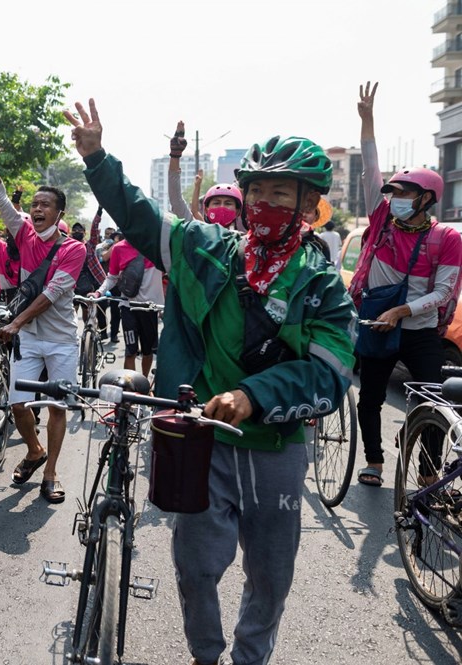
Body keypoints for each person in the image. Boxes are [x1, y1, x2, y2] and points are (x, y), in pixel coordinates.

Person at [65, 98, 354, 665]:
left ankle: (250, 657)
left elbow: (331, 370)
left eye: (281, 192)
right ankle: (205, 654)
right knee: (195, 568)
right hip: (199, 439)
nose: (265, 202)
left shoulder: (322, 283)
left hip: (276, 449)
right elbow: (143, 216)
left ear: (308, 204)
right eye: (258, 190)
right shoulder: (205, 248)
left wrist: (254, 396)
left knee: (270, 576)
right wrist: (98, 159)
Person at [349, 81, 462, 488]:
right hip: (378, 326)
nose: (394, 196)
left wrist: (401, 310)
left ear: (426, 199)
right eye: (392, 190)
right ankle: (375, 461)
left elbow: (444, 293)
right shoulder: (380, 221)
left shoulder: (446, 238)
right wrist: (368, 122)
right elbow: (369, 170)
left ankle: (429, 468)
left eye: (403, 192)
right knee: (371, 397)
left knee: (436, 399)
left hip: (418, 330)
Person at [0, 123, 87, 504]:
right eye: (35, 204)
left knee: (57, 406)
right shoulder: (21, 232)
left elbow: (53, 294)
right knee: (17, 404)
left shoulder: (74, 249)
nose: (37, 209)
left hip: (59, 339)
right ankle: (35, 451)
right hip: (27, 337)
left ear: (59, 214)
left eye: (46, 205)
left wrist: (17, 321)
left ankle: (51, 474)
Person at [92, 235, 164, 376]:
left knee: (147, 351)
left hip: (150, 309)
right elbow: (112, 277)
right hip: (128, 307)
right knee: (130, 351)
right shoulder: (118, 248)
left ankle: (143, 386)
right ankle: (132, 389)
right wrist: (98, 293)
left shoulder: (157, 246)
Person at [71, 211, 108, 336]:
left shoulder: (90, 246)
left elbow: (94, 230)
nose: (77, 232)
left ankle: (90, 335)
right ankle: (73, 336)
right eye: (74, 230)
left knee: (88, 315)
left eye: (79, 230)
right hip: (73, 285)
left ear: (84, 233)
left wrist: (98, 213)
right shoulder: (68, 246)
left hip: (88, 285)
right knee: (72, 314)